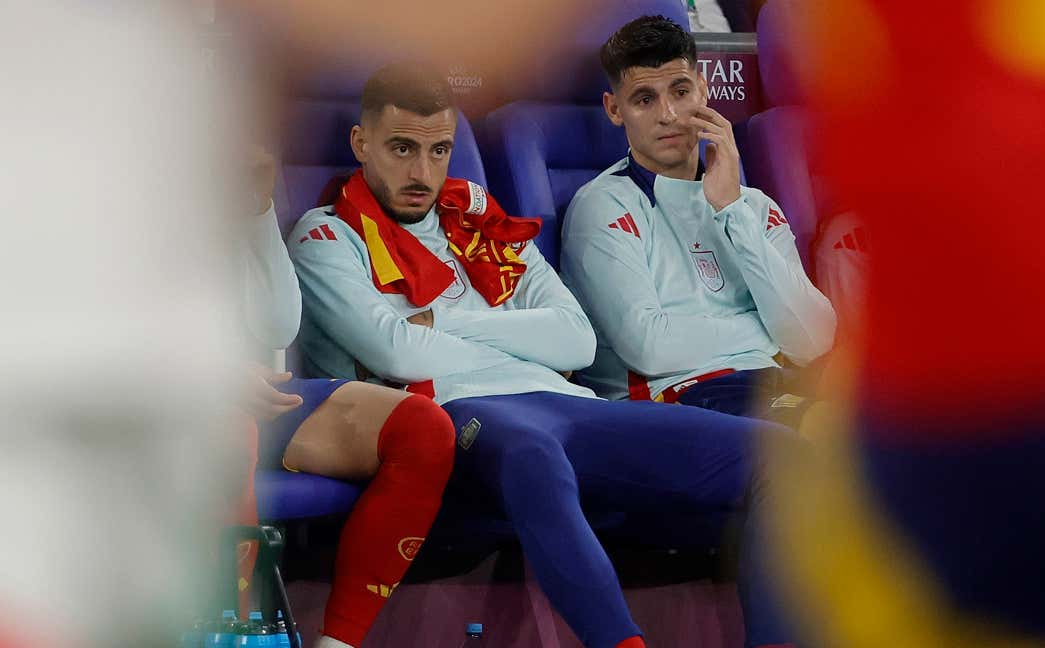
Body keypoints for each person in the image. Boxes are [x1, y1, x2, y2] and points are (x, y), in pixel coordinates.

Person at [288, 62, 799, 648]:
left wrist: (447, 321)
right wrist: (510, 331)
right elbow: (397, 352)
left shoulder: (487, 230)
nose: (422, 172)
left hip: (570, 403)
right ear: (361, 143)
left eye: (439, 151)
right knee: (532, 453)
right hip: (456, 418)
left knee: (785, 456)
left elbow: (575, 342)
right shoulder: (325, 235)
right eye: (402, 149)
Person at [559, 15, 836, 420]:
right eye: (644, 99)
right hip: (675, 398)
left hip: (771, 383)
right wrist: (768, 331)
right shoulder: (603, 205)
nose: (668, 114)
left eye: (681, 90)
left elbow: (814, 338)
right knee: (828, 438)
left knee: (904, 429)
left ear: (704, 91)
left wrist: (731, 210)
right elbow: (650, 348)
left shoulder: (753, 206)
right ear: (615, 109)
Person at [238, 146, 455, 648]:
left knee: (421, 429)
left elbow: (277, 325)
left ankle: (337, 644)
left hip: (251, 388)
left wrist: (255, 208)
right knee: (226, 438)